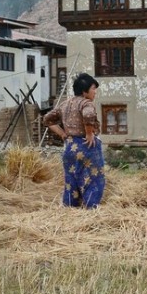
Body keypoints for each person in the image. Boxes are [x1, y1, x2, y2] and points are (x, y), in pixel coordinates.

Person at [42, 73, 106, 209]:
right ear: (84, 91)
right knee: (94, 179)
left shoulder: (65, 104)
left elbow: (47, 119)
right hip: (87, 147)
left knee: (71, 181)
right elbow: (88, 115)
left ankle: (69, 209)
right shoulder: (86, 103)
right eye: (93, 89)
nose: (95, 92)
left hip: (69, 147)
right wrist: (89, 134)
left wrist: (63, 134)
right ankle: (91, 209)